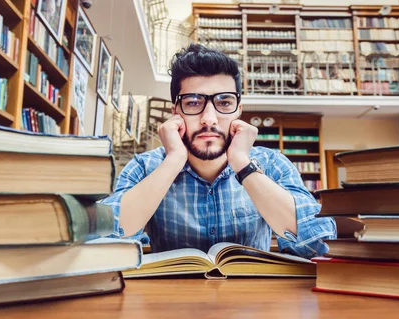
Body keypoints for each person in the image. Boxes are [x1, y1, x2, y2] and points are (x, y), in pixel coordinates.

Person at [102, 44, 336, 258]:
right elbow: (104, 244)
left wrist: (243, 164)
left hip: (253, 300)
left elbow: (318, 245)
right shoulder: (145, 167)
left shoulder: (272, 164)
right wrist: (174, 160)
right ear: (176, 112)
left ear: (238, 111)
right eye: (193, 102)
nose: (209, 119)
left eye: (224, 103)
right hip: (170, 300)